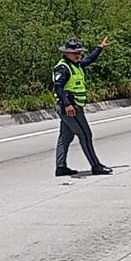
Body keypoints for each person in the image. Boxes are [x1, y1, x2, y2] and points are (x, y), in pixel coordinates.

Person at [53, 37, 113, 176]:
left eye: (79, 53)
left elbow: (90, 59)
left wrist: (100, 48)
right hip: (70, 108)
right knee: (85, 134)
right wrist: (67, 104)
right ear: (66, 53)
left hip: (73, 107)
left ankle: (61, 167)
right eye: (75, 53)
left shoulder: (76, 65)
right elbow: (58, 87)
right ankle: (96, 166)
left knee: (65, 137)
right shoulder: (63, 68)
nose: (78, 55)